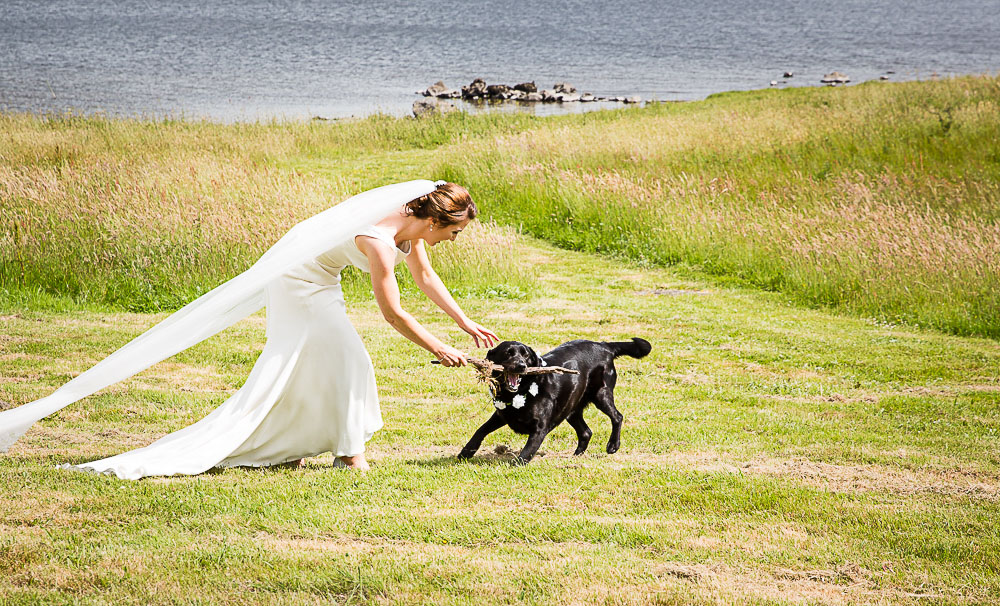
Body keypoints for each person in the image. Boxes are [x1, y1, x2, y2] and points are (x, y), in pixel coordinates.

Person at [5, 181, 497, 479]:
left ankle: (292, 447)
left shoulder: (414, 228)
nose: (454, 240)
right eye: (454, 231)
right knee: (350, 358)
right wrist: (440, 346)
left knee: (313, 366)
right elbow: (392, 314)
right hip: (297, 281)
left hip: (322, 280)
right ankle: (350, 455)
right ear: (434, 221)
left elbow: (426, 278)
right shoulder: (380, 240)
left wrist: (464, 322)